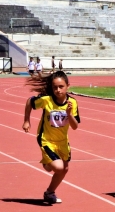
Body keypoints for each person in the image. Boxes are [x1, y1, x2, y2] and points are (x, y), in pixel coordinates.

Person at [22, 71, 80, 204]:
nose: (58, 90)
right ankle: (47, 161)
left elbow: (75, 126)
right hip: (46, 139)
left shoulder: (72, 102)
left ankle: (49, 192)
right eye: (55, 87)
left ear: (68, 86)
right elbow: (30, 102)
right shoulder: (46, 100)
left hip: (62, 141)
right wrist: (26, 120)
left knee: (65, 169)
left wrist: (69, 114)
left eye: (61, 87)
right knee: (59, 167)